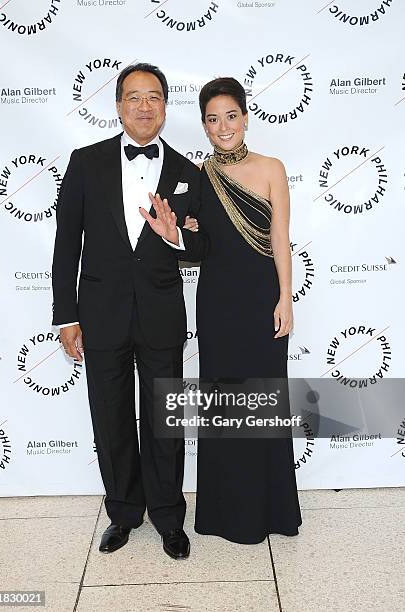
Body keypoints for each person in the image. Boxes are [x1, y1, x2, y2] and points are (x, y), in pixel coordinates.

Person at [51, 63, 207, 560]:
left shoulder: (187, 170)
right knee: (111, 417)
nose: (144, 106)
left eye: (154, 97)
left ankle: (168, 517)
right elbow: (65, 246)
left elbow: (201, 246)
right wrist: (66, 315)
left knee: (165, 420)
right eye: (134, 97)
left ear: (165, 106)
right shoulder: (85, 161)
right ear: (118, 105)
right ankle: (122, 512)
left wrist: (175, 235)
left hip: (161, 314)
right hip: (100, 314)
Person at [149, 77, 302, 544]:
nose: (223, 126)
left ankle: (271, 510)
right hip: (217, 304)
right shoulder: (199, 176)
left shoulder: (272, 168)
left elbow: (280, 240)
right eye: (213, 120)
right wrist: (174, 232)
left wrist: (285, 296)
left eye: (230, 116)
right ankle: (225, 512)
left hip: (261, 303)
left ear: (245, 117)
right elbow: (197, 246)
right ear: (204, 126)